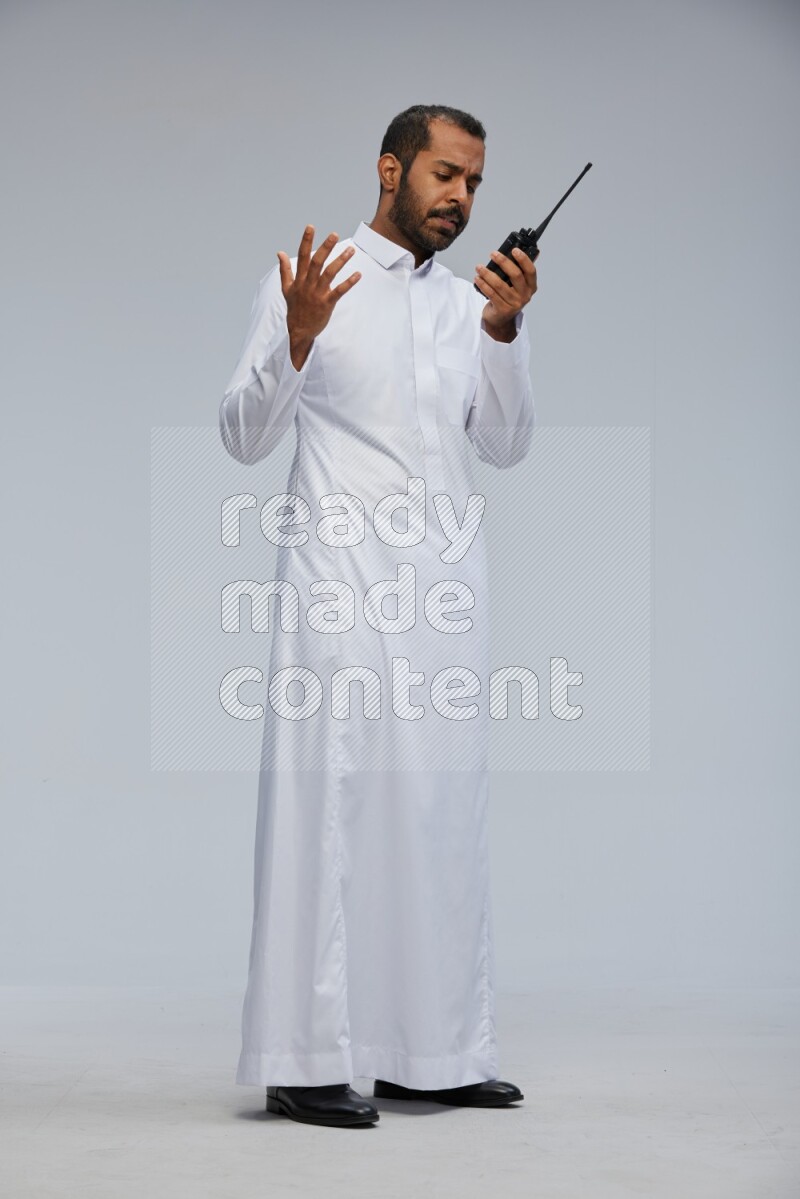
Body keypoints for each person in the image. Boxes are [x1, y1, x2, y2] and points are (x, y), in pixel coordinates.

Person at [219, 104, 537, 1128]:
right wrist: (296, 342)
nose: (459, 197)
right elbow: (240, 434)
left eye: (474, 182)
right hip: (337, 589)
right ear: (388, 169)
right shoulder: (311, 281)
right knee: (328, 808)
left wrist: (502, 332)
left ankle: (431, 1051)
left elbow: (505, 443)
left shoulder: (466, 306)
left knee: (438, 817)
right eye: (444, 174)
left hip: (441, 596)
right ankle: (303, 1056)